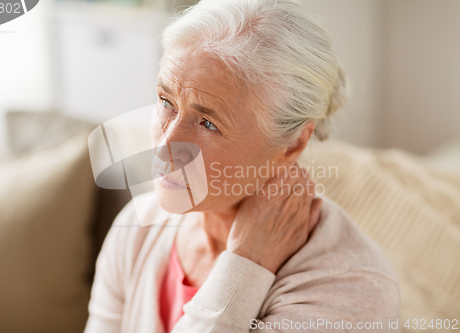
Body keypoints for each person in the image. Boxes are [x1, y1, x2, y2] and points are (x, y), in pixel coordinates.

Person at [84, 0, 400, 332]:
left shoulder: (350, 292)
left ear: (293, 144)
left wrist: (244, 267)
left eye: (208, 123)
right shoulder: (137, 229)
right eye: (166, 102)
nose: (164, 151)